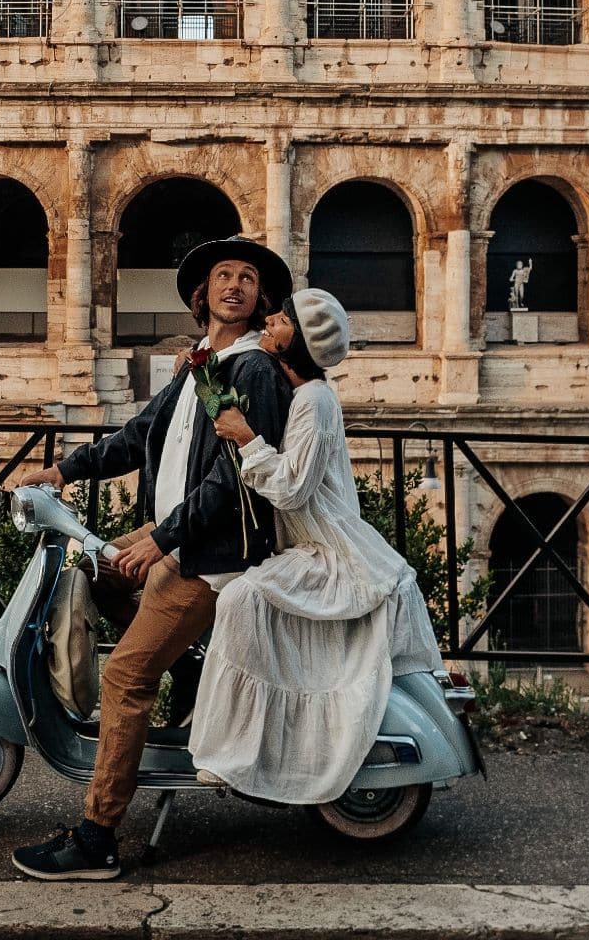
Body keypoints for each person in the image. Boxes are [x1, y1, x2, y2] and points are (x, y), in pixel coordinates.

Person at [3, 237, 293, 881]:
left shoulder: (253, 371)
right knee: (95, 566)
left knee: (125, 680)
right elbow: (138, 436)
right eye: (224, 274)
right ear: (203, 294)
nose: (236, 285)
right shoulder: (201, 366)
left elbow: (235, 479)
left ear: (260, 298)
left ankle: (98, 836)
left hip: (210, 558)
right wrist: (60, 471)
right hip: (176, 539)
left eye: (248, 278)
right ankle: (191, 669)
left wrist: (162, 542)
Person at [187, 288, 445, 804]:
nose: (271, 321)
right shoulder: (301, 392)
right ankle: (245, 740)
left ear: (298, 342)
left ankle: (232, 753)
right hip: (309, 545)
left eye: (282, 320)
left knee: (242, 599)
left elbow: (291, 488)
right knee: (244, 599)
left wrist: (244, 437)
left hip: (330, 553)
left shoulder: (315, 400)